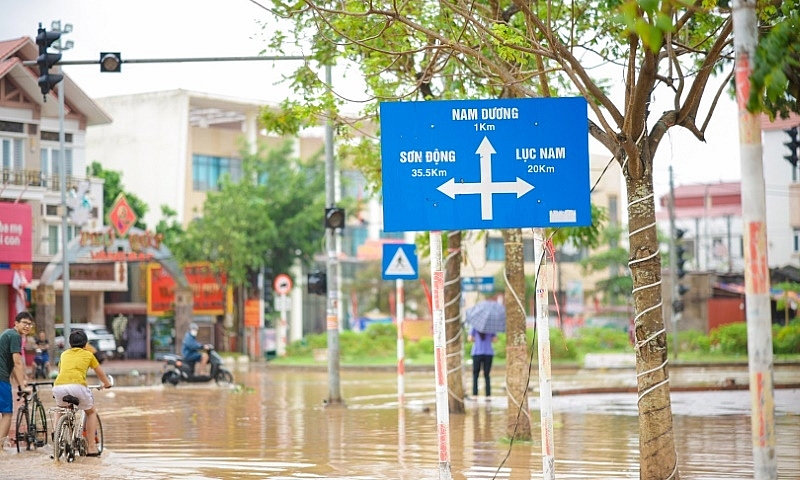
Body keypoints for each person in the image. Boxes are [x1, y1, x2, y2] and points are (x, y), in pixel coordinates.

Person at [52, 330, 112, 457]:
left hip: (58, 387)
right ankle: (91, 447)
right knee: (91, 412)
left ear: (70, 344)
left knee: (61, 408)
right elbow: (99, 372)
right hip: (78, 386)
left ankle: (56, 438)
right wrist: (107, 384)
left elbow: (60, 371)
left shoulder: (64, 355)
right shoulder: (89, 355)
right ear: (86, 344)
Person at [0, 312, 33, 450]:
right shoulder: (15, 336)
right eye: (24, 323)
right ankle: (0, 447)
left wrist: (22, 381)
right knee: (7, 414)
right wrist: (22, 386)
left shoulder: (7, 334)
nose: (27, 326)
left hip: (3, 376)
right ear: (16, 323)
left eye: (30, 324)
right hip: (1, 378)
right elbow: (17, 362)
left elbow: (13, 367)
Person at [468, 327, 497, 398]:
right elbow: (495, 340)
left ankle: (475, 395)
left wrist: (476, 339)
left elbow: (470, 338)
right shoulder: (490, 327)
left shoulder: (475, 327)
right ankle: (488, 395)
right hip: (486, 353)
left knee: (476, 374)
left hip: (478, 353)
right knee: (486, 375)